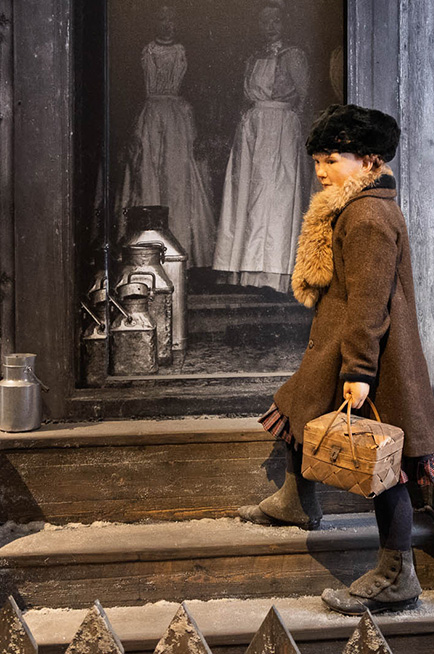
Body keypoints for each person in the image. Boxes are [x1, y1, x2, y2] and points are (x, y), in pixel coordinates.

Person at [239, 103, 434, 615]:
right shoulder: (356, 206)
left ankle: (397, 574)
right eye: (317, 161)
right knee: (296, 406)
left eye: (332, 160)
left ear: (368, 160)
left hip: (370, 355)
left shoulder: (367, 216)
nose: (322, 172)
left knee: (383, 464)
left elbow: (370, 302)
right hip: (339, 344)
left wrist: (359, 370)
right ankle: (295, 500)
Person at [212, 0, 309, 293]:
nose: (270, 27)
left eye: (275, 21)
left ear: (285, 23)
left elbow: (304, 97)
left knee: (275, 195)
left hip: (280, 129)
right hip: (253, 130)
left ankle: (274, 273)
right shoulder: (254, 57)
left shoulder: (293, 55)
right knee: (248, 193)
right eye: (265, 22)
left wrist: (291, 129)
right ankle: (247, 271)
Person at [116, 4, 216, 267]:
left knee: (178, 181)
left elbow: (200, 91)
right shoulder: (144, 51)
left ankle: (181, 250)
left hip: (180, 123)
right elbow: (129, 92)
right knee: (147, 179)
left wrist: (200, 129)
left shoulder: (185, 51)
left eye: (171, 19)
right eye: (161, 18)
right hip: (148, 121)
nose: (167, 24)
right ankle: (145, 250)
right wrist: (131, 131)